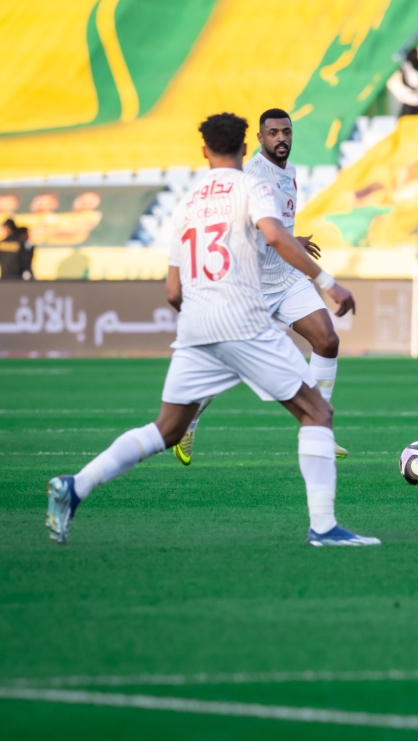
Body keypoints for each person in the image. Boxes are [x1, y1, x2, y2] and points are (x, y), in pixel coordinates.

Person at [44, 112, 380, 547]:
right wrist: (328, 283)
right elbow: (276, 237)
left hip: (196, 324)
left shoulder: (188, 201)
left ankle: (76, 486)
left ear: (204, 151)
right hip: (241, 318)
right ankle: (324, 528)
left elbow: (171, 291)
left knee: (166, 430)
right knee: (317, 413)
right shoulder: (251, 184)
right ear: (246, 147)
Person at [174, 108, 354, 464]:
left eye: (286, 132)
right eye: (273, 133)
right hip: (251, 285)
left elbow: (277, 225)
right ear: (259, 139)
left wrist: (292, 239)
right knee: (227, 365)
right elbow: (249, 227)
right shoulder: (251, 174)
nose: (281, 139)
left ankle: (318, 429)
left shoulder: (291, 172)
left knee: (327, 340)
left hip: (285, 279)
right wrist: (288, 243)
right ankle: (187, 423)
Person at [387, 49, 418, 116]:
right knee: (407, 119)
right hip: (410, 99)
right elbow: (405, 81)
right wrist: (415, 90)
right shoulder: (406, 65)